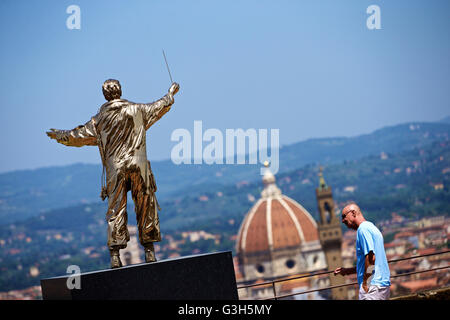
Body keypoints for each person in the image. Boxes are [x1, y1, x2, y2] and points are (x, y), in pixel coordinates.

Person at [47, 79, 180, 268]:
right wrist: (171, 93)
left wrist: (60, 135)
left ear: (104, 95)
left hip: (115, 169)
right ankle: (149, 251)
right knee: (145, 205)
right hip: (138, 165)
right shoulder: (138, 110)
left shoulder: (99, 120)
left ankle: (115, 255)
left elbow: (77, 136)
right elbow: (160, 106)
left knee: (116, 209)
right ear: (120, 91)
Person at [334, 203, 391, 300]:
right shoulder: (371, 227)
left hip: (372, 286)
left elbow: (371, 258)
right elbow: (371, 261)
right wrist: (347, 271)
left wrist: (366, 282)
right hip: (382, 285)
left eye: (344, 216)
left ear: (353, 213)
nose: (343, 221)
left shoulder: (363, 229)